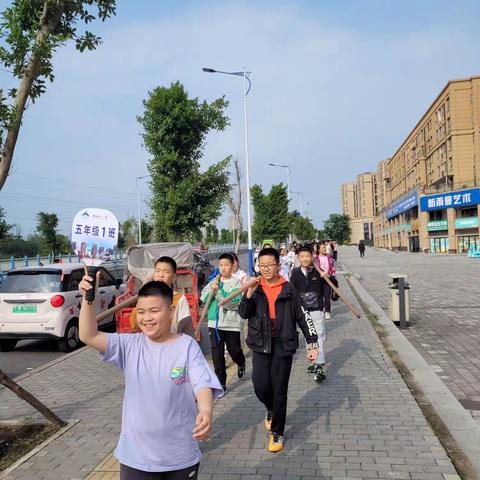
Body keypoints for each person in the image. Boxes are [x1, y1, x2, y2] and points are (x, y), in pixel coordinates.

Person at [79, 275, 223, 480]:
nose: (147, 317)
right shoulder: (129, 345)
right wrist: (88, 298)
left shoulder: (186, 346)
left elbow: (202, 383)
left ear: (171, 312)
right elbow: (88, 335)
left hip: (180, 455)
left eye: (154, 311)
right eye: (141, 312)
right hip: (136, 457)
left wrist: (206, 411)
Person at [238, 247, 318, 453]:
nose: (266, 269)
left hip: (283, 344)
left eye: (270, 265)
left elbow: (303, 316)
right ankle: (270, 409)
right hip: (260, 343)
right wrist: (248, 296)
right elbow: (243, 313)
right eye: (262, 265)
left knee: (280, 389)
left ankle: (277, 432)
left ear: (278, 265)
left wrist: (312, 343)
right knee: (260, 385)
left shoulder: (288, 288)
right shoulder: (255, 287)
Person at [200, 253, 246, 392]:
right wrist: (211, 288)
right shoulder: (213, 281)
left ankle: (241, 362)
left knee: (234, 350)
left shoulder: (236, 282)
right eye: (221, 265)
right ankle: (221, 383)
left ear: (232, 266)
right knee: (217, 354)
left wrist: (218, 291)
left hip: (230, 323)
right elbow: (204, 299)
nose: (223, 268)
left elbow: (231, 303)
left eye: (226, 265)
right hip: (214, 323)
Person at [129, 257, 195, 338]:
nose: (160, 275)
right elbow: (135, 325)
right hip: (150, 345)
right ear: (153, 275)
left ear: (174, 277)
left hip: (170, 345)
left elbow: (186, 329)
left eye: (166, 271)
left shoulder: (180, 299)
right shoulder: (145, 297)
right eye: (157, 271)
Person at [290, 244, 328, 382]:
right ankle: (313, 361)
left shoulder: (318, 271)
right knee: (309, 337)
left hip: (317, 309)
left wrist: (326, 276)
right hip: (302, 312)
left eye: (307, 256)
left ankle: (319, 366)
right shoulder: (295, 273)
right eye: (302, 256)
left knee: (319, 336)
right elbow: (291, 291)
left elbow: (332, 284)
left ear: (312, 256)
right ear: (298, 258)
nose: (305, 259)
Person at [314, 243, 336, 319]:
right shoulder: (315, 259)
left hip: (328, 279)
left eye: (325, 247)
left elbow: (333, 269)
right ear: (318, 249)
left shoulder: (329, 258)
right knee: (319, 296)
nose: (324, 249)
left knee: (327, 296)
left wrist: (332, 277)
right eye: (323, 248)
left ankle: (327, 311)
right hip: (319, 280)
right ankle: (320, 310)